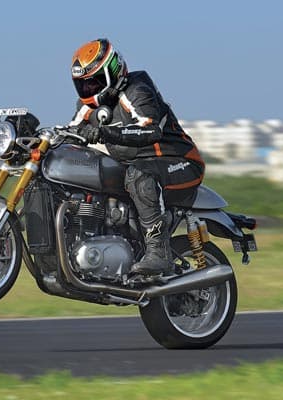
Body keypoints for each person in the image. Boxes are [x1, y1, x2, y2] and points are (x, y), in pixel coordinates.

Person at [68, 38, 205, 277]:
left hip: (180, 162)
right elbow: (71, 133)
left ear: (113, 73)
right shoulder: (87, 106)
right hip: (137, 167)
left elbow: (150, 129)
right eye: (83, 85)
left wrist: (104, 132)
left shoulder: (137, 90)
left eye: (95, 82)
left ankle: (159, 253)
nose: (89, 89)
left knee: (139, 176)